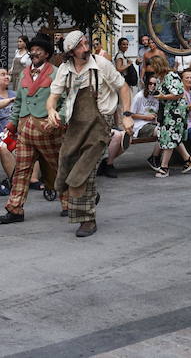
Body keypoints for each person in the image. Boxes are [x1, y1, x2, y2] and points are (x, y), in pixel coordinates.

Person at [45, 30, 132, 238]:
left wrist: (127, 115)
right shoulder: (65, 70)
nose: (86, 49)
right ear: (70, 52)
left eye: (86, 44)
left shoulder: (101, 65)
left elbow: (124, 88)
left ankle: (87, 221)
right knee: (66, 165)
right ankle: (91, 197)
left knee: (83, 173)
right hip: (75, 125)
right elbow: (53, 97)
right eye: (80, 46)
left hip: (100, 124)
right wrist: (51, 111)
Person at [0, 35, 69, 223]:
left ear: (47, 54)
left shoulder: (57, 72)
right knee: (21, 170)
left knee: (59, 167)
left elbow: (67, 100)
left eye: (39, 50)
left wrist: (59, 119)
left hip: (47, 128)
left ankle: (70, 203)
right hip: (24, 129)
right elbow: (19, 101)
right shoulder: (24, 73)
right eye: (32, 49)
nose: (34, 52)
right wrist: (12, 123)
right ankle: (15, 209)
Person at [150, 55, 191, 177]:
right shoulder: (161, 77)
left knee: (169, 137)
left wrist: (162, 97)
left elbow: (178, 94)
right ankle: (189, 159)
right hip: (168, 111)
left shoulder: (171, 76)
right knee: (171, 136)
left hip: (175, 111)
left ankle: (164, 167)